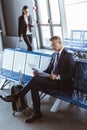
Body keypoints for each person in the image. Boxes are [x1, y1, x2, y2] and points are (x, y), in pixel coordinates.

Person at [0, 36, 75, 123]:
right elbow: (48, 70)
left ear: (60, 43)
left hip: (62, 83)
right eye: (52, 45)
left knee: (35, 80)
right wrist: (39, 73)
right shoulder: (54, 55)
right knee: (34, 85)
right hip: (52, 80)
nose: (53, 47)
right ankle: (37, 112)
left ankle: (16, 96)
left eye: (54, 44)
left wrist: (57, 76)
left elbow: (71, 74)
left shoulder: (68, 55)